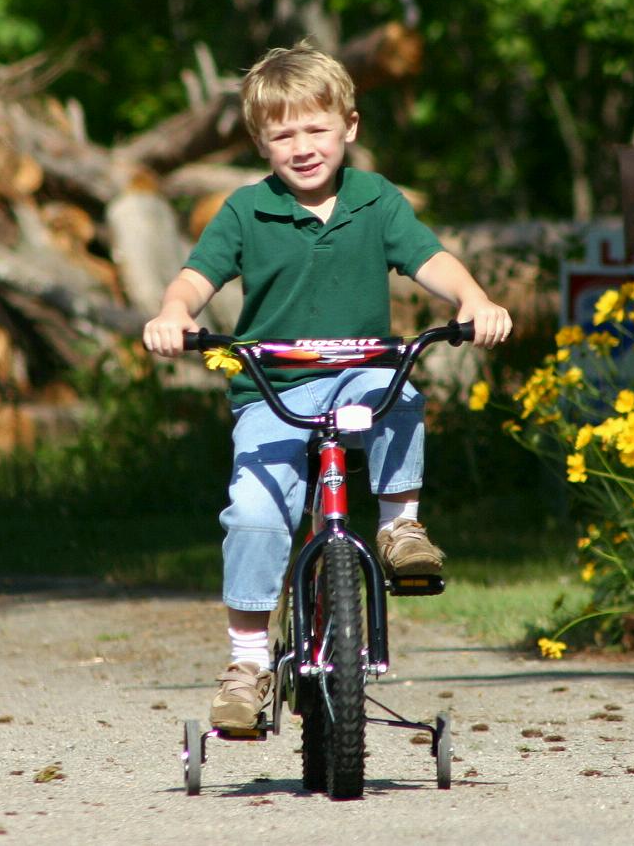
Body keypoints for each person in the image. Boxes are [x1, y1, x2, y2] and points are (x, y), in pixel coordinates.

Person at [143, 41, 512, 729]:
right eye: (283, 135)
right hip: (272, 390)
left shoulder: (375, 200)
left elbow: (430, 258)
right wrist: (174, 313)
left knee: (401, 389)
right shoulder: (246, 210)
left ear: (350, 126)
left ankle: (400, 528)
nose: (303, 147)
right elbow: (196, 277)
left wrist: (473, 298)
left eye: (316, 129)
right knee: (253, 513)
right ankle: (247, 665)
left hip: (358, 377)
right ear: (260, 143)